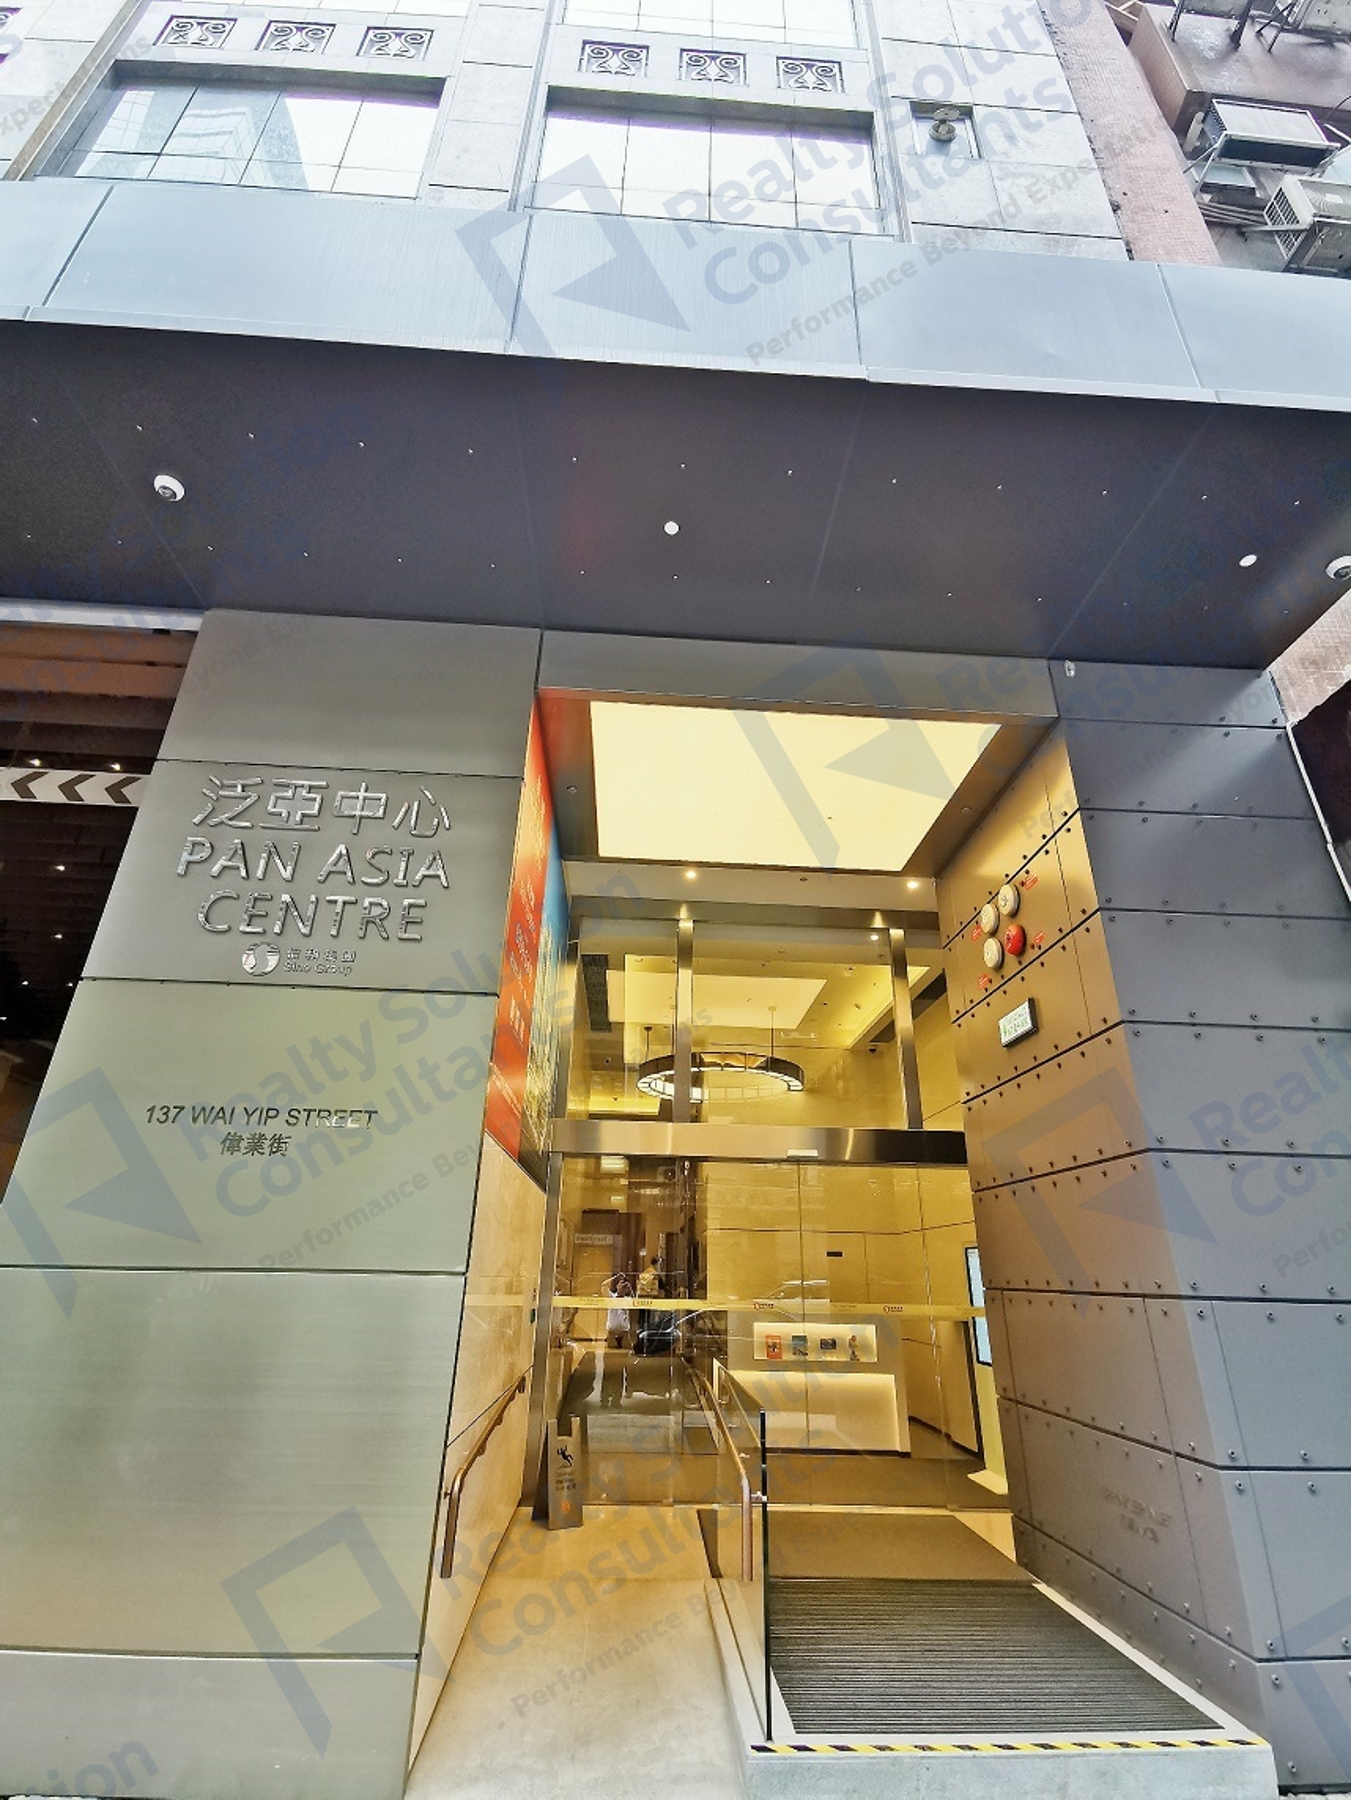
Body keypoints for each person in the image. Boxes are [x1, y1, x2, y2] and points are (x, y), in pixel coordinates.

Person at [602, 1270, 632, 1349]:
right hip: (612, 1331)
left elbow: (636, 1301)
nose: (622, 1287)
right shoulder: (611, 1297)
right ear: (617, 1286)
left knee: (626, 1351)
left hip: (625, 1331)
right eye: (620, 1284)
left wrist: (630, 1289)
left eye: (624, 1286)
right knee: (611, 1351)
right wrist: (615, 1277)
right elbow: (603, 1286)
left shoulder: (628, 1299)